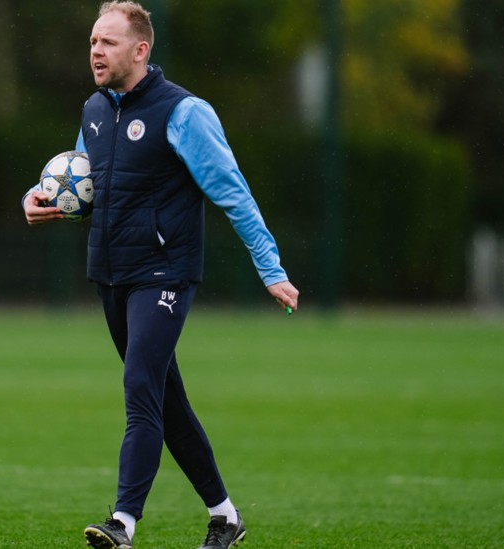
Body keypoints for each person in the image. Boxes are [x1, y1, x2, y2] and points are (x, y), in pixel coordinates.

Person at [23, 2, 299, 547]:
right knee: (165, 400)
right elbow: (76, 179)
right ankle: (225, 516)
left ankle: (122, 524)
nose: (95, 51)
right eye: (92, 43)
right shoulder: (94, 110)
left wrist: (271, 268)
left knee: (139, 387)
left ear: (140, 50)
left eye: (107, 42)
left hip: (164, 274)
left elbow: (234, 194)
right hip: (111, 273)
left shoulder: (185, 112)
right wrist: (35, 199)